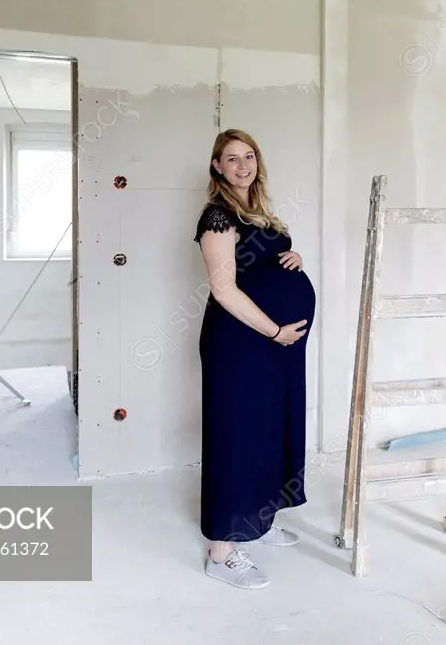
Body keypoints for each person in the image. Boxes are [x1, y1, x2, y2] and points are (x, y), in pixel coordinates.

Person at [193, 129, 316, 589]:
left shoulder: (260, 213)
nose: (242, 165)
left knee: (267, 428)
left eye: (249, 156)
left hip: (276, 346)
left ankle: (256, 522)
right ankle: (222, 552)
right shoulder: (218, 217)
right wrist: (275, 331)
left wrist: (293, 257)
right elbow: (223, 288)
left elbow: (264, 263)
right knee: (236, 435)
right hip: (242, 343)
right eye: (231, 158)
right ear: (217, 167)